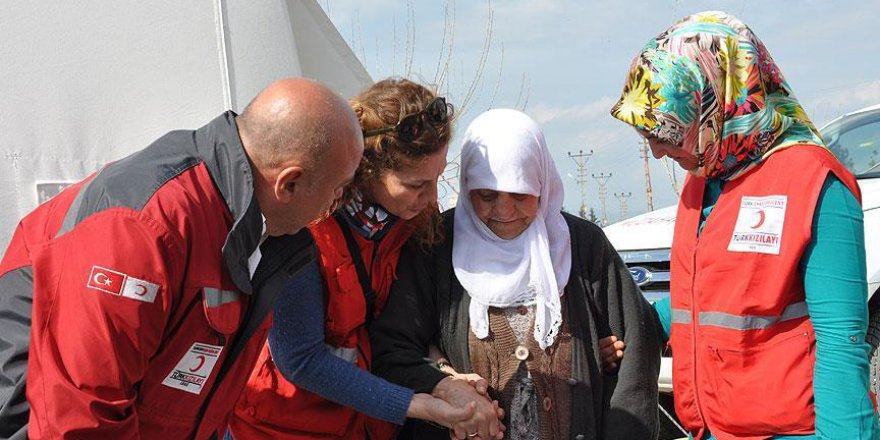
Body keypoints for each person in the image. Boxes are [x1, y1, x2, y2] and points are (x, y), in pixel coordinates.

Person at [0, 78, 363, 439]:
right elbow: (82, 417)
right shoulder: (144, 227)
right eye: (338, 190)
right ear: (289, 183)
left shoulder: (257, 235)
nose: (338, 205)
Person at [610, 11, 880, 440]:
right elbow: (702, 299)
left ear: (721, 100)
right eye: (649, 136)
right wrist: (624, 332)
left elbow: (841, 344)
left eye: (668, 130)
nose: (659, 151)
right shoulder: (703, 181)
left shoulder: (814, 184)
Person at [227, 78, 505, 440]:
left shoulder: (411, 223)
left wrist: (441, 376)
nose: (431, 196)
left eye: (437, 178)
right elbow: (300, 360)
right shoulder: (306, 229)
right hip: (281, 426)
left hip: (361, 423)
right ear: (368, 168)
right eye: (415, 185)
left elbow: (406, 324)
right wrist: (419, 403)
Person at [370, 108, 663, 440]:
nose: (504, 211)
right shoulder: (436, 245)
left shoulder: (581, 245)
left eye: (521, 195)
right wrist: (444, 382)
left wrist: (590, 354)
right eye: (487, 195)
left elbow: (635, 354)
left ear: (542, 185)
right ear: (467, 187)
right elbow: (392, 346)